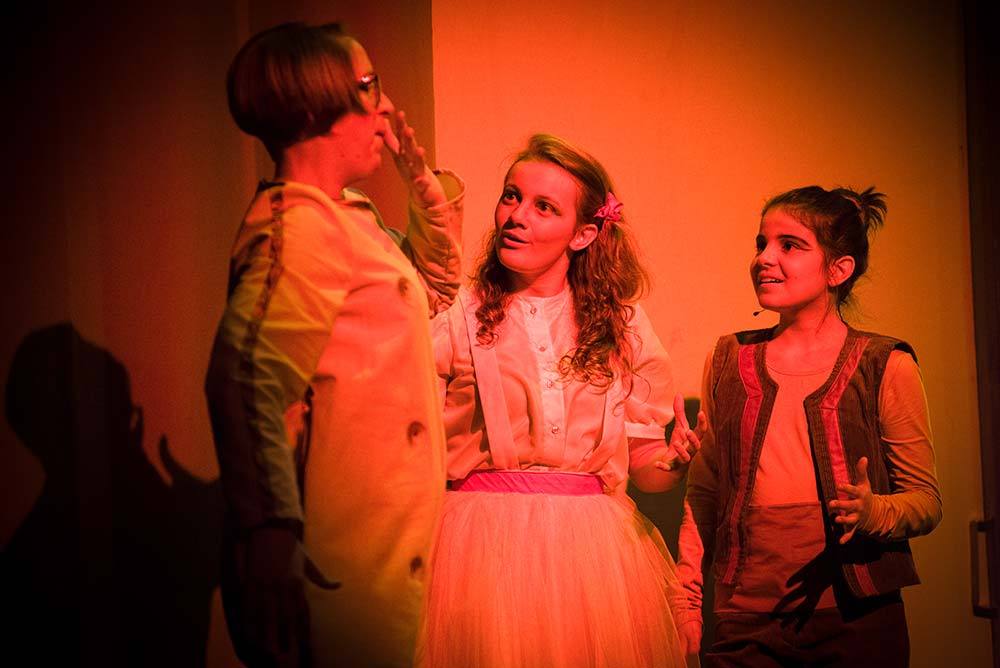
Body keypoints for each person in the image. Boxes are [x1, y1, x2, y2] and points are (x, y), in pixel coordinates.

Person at [204, 22, 464, 667]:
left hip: (377, 548)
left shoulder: (346, 215)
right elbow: (246, 379)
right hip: (334, 557)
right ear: (316, 105)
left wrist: (424, 190)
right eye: (368, 86)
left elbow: (433, 290)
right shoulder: (301, 225)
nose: (385, 107)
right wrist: (271, 534)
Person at [421, 134, 703, 668]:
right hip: (479, 549)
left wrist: (673, 460)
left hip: (590, 555)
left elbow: (644, 467)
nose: (516, 216)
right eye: (511, 196)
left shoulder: (623, 327)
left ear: (583, 234)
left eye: (543, 206)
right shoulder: (457, 315)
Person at [677, 186, 942, 666]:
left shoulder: (886, 363)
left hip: (858, 619)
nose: (765, 258)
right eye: (762, 243)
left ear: (839, 269)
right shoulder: (728, 359)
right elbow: (705, 491)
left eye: (790, 245)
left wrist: (873, 511)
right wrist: (687, 600)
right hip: (746, 619)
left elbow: (925, 501)